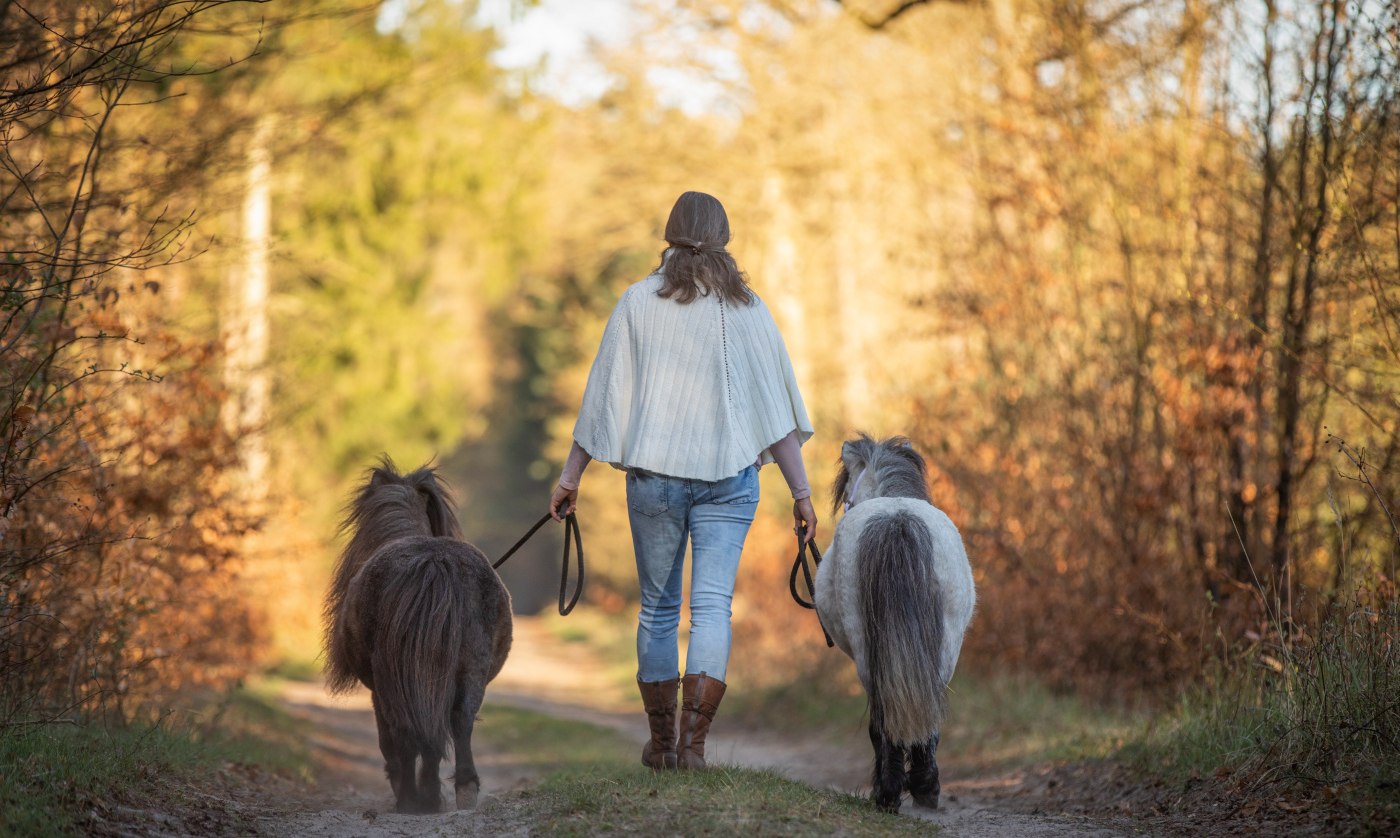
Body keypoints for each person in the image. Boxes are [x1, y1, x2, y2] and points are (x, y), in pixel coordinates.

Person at [549, 191, 818, 771]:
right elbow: (776, 415)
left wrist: (571, 477)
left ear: (668, 239)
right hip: (730, 481)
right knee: (713, 609)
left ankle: (662, 744)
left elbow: (602, 400)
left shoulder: (636, 303)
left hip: (655, 483)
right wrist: (802, 494)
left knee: (657, 610)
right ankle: (693, 747)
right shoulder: (749, 310)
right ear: (725, 241)